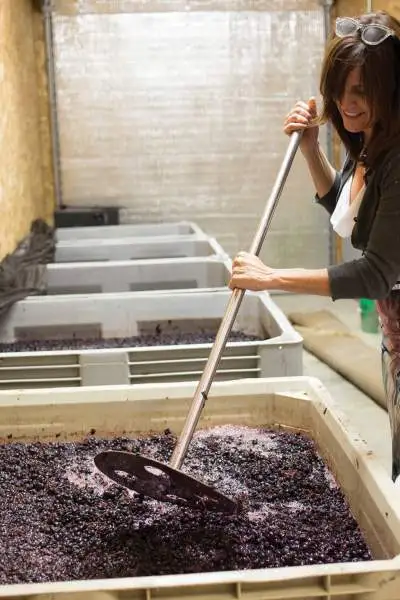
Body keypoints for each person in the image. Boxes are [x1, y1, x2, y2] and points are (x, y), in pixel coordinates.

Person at [229, 10, 400, 484]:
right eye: (340, 88)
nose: (346, 103)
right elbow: (350, 217)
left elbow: (374, 272)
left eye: (362, 91)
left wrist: (272, 277)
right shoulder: (370, 140)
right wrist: (310, 147)